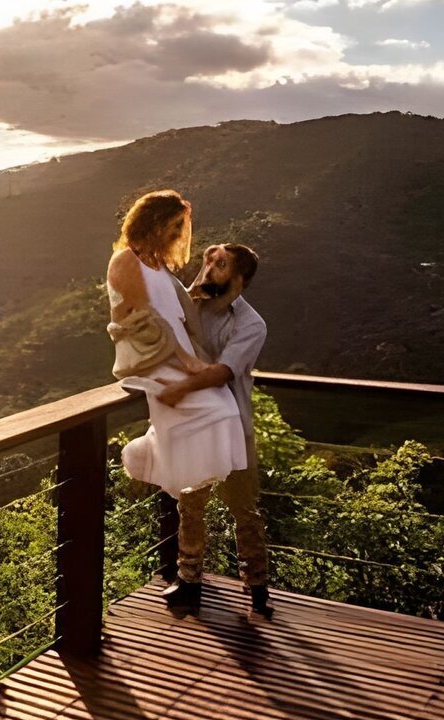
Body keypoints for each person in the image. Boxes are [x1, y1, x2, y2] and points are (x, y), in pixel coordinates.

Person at [106, 191, 247, 502]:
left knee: (224, 407)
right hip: (154, 358)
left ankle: (171, 474)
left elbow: (179, 303)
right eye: (172, 224)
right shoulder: (126, 259)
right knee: (214, 409)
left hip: (177, 353)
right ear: (151, 222)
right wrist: (188, 363)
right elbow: (147, 318)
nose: (176, 232)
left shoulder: (158, 264)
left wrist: (211, 273)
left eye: (179, 225)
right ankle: (156, 467)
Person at [154, 243, 271, 616]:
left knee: (244, 509)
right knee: (190, 504)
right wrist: (189, 295)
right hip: (197, 425)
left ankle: (257, 589)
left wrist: (180, 389)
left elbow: (222, 371)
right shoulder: (193, 305)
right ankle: (188, 582)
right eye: (208, 259)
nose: (209, 267)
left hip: (233, 426)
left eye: (220, 264)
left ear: (239, 279)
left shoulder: (251, 324)